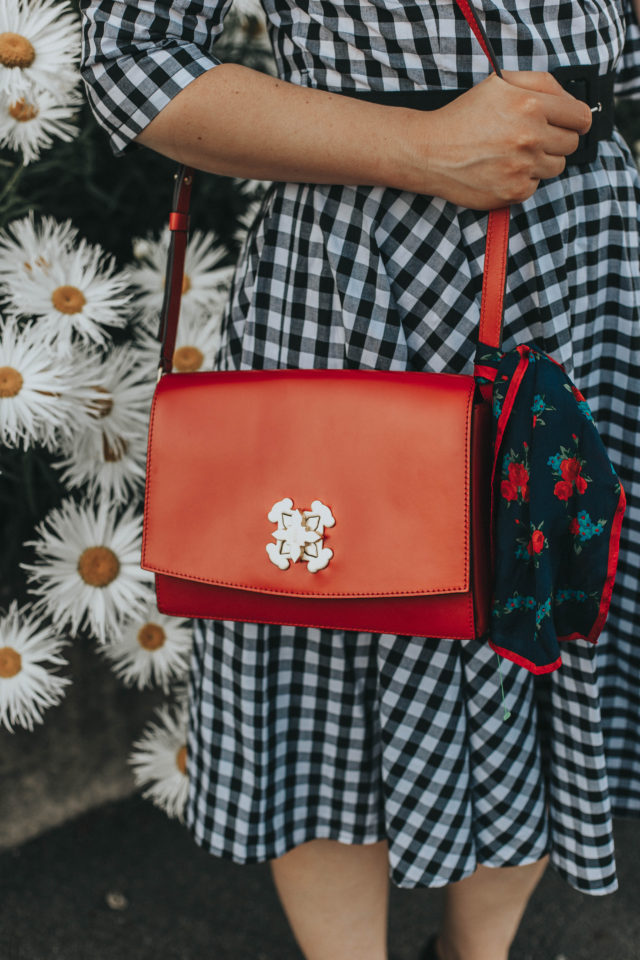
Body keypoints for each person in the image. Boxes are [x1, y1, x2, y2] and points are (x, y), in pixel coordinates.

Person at [78, 2, 640, 959]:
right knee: (334, 642)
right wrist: (418, 146)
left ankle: (476, 954)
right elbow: (129, 61)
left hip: (585, 250)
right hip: (365, 272)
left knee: (550, 626)